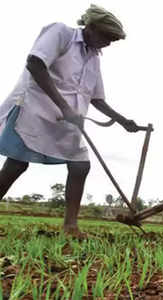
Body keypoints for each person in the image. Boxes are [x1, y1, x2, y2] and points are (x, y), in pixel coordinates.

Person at [0, 4, 139, 236]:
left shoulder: (94, 58)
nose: (109, 44)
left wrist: (123, 121)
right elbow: (35, 63)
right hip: (35, 111)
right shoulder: (61, 33)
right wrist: (64, 107)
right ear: (92, 28)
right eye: (107, 37)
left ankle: (70, 226)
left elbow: (96, 99)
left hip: (68, 121)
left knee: (80, 165)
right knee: (16, 164)